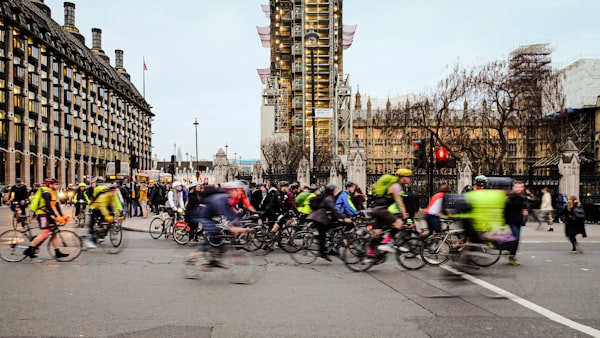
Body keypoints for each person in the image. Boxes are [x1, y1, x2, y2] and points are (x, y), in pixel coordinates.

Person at [185, 182, 252, 268]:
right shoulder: (220, 199)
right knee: (215, 232)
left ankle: (215, 258)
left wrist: (240, 226)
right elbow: (228, 221)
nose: (241, 194)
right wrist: (243, 229)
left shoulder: (226, 199)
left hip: (211, 217)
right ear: (232, 190)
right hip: (202, 216)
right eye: (239, 191)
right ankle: (196, 254)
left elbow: (231, 217)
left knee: (221, 236)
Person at [368, 168, 411, 260]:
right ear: (403, 178)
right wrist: (405, 216)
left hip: (376, 208)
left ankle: (370, 255)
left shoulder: (393, 185)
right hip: (382, 209)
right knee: (399, 224)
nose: (409, 179)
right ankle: (385, 243)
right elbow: (399, 203)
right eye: (408, 177)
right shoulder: (396, 186)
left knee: (377, 234)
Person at [23, 178, 69, 259]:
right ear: (50, 185)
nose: (57, 185)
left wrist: (62, 216)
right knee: (45, 233)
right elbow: (48, 206)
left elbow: (57, 205)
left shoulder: (54, 193)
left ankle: (57, 252)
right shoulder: (46, 193)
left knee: (54, 232)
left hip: (48, 214)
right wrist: (56, 217)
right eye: (55, 184)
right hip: (42, 214)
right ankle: (29, 249)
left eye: (57, 184)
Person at [307, 184, 351, 261]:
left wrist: (339, 218)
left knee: (332, 230)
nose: (336, 191)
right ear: (331, 191)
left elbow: (334, 211)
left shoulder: (327, 197)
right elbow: (335, 209)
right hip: (319, 218)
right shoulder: (328, 198)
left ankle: (330, 248)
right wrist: (344, 218)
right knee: (323, 235)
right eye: (335, 190)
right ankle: (322, 253)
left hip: (321, 217)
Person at [85, 183, 124, 248]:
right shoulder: (103, 196)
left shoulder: (113, 196)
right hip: (96, 208)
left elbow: (114, 205)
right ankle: (89, 241)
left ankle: (101, 234)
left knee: (108, 222)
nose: (113, 192)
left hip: (104, 209)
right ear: (109, 191)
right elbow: (102, 207)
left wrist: (118, 214)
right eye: (112, 191)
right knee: (91, 224)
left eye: (114, 191)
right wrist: (107, 216)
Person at [504, 180, 528, 265]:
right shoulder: (510, 198)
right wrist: (504, 222)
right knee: (516, 238)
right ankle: (511, 255)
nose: (518, 189)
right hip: (511, 221)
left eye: (520, 187)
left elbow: (534, 202)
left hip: (518, 221)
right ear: (513, 188)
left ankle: (511, 254)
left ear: (523, 188)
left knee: (516, 239)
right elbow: (505, 210)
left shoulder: (522, 197)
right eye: (516, 187)